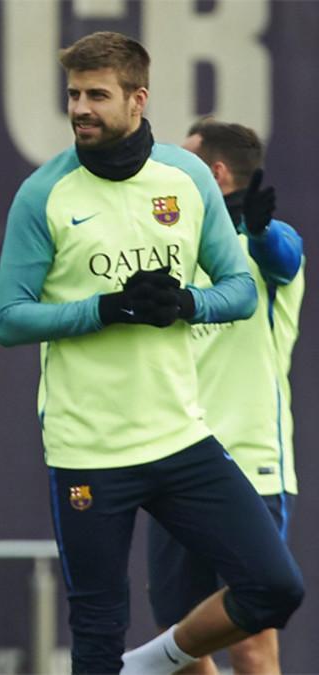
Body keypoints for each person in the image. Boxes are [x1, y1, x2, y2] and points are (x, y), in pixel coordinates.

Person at [0, 32, 304, 674]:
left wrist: (186, 304)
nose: (80, 108)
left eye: (97, 95)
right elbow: (9, 318)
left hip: (179, 437)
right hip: (87, 448)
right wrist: (105, 309)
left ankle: (150, 665)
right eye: (74, 94)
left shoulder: (185, 177)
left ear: (138, 100)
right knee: (97, 638)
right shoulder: (42, 193)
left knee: (275, 587)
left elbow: (243, 290)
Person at [145, 118, 304, 675]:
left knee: (251, 639)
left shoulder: (266, 247)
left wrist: (258, 233)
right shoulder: (176, 247)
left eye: (183, 163)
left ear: (213, 172)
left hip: (247, 464)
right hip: (172, 461)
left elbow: (283, 254)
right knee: (177, 642)